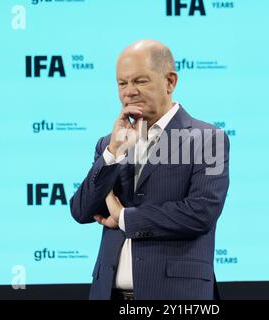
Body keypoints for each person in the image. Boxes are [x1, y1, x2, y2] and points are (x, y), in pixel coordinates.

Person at [70, 39, 230, 300]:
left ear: (170, 81)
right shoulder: (108, 143)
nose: (129, 92)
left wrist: (124, 218)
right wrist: (112, 154)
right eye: (122, 83)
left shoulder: (208, 139)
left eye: (140, 81)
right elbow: (81, 210)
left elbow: (201, 212)